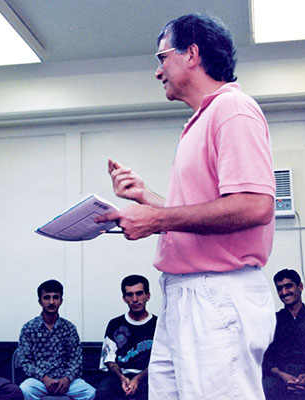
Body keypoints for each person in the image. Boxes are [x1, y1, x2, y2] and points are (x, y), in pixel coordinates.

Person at [94, 13, 276, 400]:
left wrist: (157, 217)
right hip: (183, 295)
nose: (158, 71)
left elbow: (255, 206)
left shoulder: (234, 110)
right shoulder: (202, 119)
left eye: (162, 58)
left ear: (191, 54)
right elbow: (202, 214)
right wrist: (146, 198)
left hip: (216, 295)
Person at [16, 279, 96, 400]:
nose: (51, 302)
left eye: (55, 297)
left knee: (90, 393)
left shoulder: (69, 328)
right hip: (40, 381)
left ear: (61, 301)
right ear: (40, 301)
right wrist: (44, 378)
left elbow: (76, 360)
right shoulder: (29, 328)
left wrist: (67, 379)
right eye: (47, 297)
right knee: (25, 390)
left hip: (66, 381)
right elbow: (25, 361)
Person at [98, 275, 157, 400]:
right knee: (102, 393)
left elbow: (161, 360)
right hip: (120, 376)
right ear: (124, 298)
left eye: (139, 293)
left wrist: (138, 379)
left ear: (148, 296)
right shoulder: (115, 324)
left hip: (149, 377)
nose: (135, 299)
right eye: (129, 295)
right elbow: (109, 359)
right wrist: (121, 378)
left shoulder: (158, 325)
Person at [262, 269, 305, 399]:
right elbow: (266, 357)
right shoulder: (272, 322)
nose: (284, 292)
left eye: (288, 286)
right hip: (280, 381)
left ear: (300, 287)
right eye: (279, 288)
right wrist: (282, 376)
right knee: (266, 385)